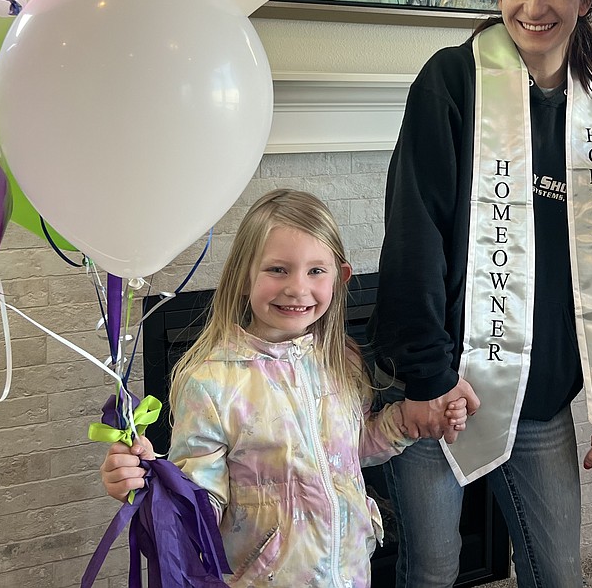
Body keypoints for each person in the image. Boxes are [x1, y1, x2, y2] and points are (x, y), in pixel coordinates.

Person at [367, 0, 592, 588]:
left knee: (559, 574)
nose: (535, 6)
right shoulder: (452, 82)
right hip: (438, 384)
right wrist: (428, 378)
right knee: (433, 570)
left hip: (537, 400)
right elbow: (413, 231)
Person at [98, 189, 468, 586]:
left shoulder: (341, 359)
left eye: (315, 271)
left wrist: (403, 424)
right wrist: (152, 486)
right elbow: (201, 503)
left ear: (339, 278)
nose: (297, 287)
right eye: (278, 269)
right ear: (244, 277)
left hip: (350, 572)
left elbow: (351, 450)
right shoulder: (212, 383)